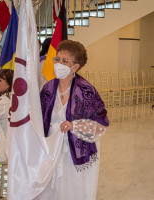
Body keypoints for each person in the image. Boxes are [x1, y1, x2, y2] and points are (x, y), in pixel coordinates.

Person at [38, 40, 109, 200]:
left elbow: (101, 124)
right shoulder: (48, 88)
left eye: (64, 61)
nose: (58, 64)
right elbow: (38, 116)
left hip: (75, 152)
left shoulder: (86, 91)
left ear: (75, 67)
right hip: (50, 150)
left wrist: (74, 125)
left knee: (72, 191)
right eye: (57, 59)